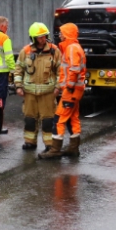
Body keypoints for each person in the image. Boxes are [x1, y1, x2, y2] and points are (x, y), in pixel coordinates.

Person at [13, 22, 62, 151]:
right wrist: (18, 86)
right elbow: (18, 69)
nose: (43, 39)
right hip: (29, 93)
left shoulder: (54, 51)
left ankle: (49, 145)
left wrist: (58, 87)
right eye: (40, 37)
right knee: (30, 119)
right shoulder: (26, 51)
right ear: (33, 38)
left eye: (45, 36)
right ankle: (30, 142)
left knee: (48, 121)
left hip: (48, 93)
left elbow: (61, 71)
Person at [40, 23, 85, 160]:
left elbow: (74, 69)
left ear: (68, 34)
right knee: (73, 118)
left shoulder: (71, 48)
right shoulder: (74, 47)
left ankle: (55, 149)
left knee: (59, 119)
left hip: (71, 91)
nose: (60, 35)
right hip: (75, 90)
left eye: (62, 33)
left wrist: (69, 87)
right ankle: (73, 148)